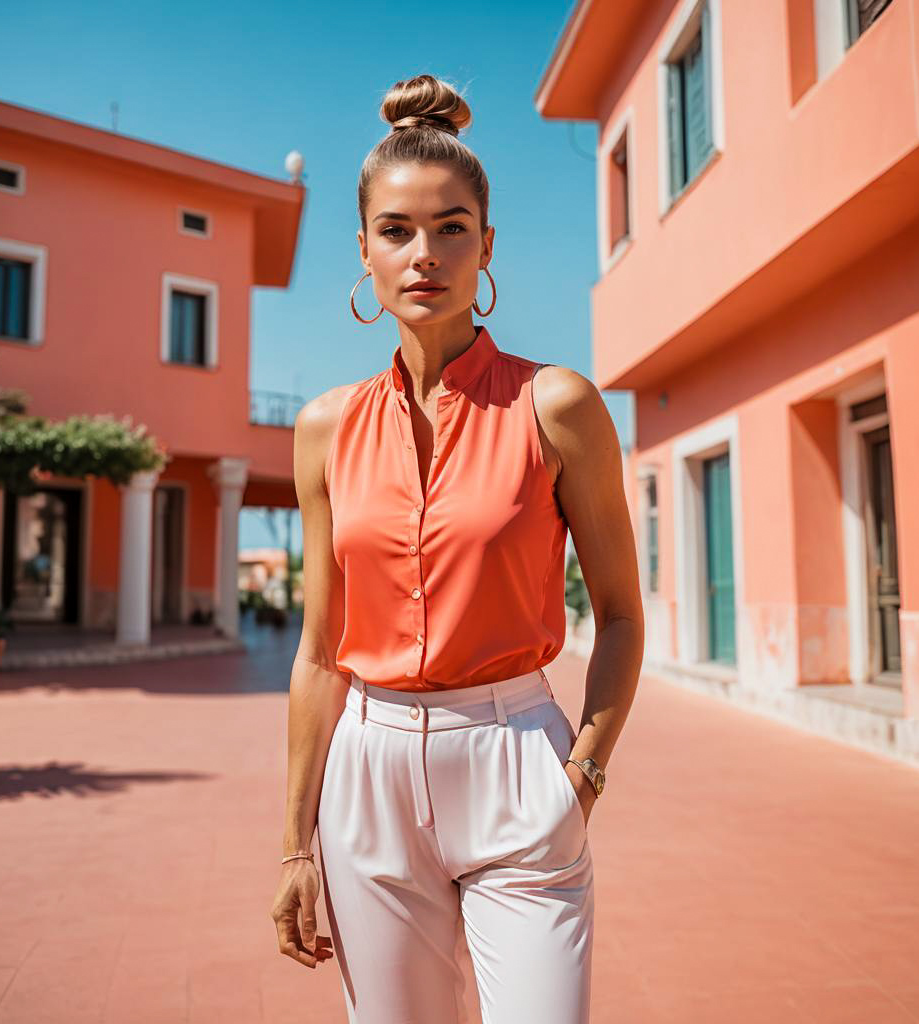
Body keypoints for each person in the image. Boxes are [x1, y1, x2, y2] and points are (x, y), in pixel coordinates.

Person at [271, 73, 644, 1024]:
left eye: (452, 227)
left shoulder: (554, 404)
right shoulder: (323, 428)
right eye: (397, 230)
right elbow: (318, 653)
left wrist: (584, 774)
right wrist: (293, 845)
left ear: (486, 246)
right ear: (363, 250)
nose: (424, 253)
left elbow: (621, 614)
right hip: (370, 774)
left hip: (517, 759)